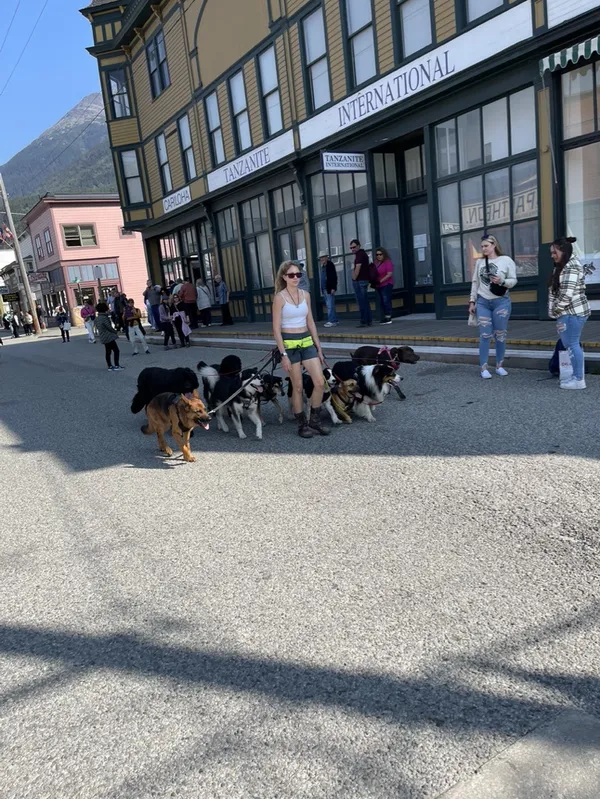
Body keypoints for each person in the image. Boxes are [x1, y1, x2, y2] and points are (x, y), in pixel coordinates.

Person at [272, 260, 330, 438]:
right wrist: (283, 355)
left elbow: (310, 321)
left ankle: (314, 419)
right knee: (297, 387)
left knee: (320, 382)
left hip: (306, 340)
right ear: (284, 277)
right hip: (289, 344)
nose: (295, 278)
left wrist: (318, 348)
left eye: (298, 274)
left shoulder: (306, 295)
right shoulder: (279, 298)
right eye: (291, 275)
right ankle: (302, 424)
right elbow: (276, 329)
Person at [468, 234, 517, 379]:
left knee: (500, 334)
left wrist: (501, 281)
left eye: (486, 246)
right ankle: (484, 368)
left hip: (501, 301)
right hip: (483, 301)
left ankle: (499, 365)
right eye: (482, 246)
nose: (483, 249)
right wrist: (472, 301)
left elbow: (514, 280)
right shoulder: (479, 262)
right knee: (484, 335)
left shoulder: (506, 260)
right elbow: (475, 282)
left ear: (494, 245)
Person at [548, 236, 590, 390]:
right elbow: (554, 290)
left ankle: (579, 380)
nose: (552, 255)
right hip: (568, 312)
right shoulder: (562, 266)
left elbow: (567, 294)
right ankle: (576, 376)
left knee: (572, 344)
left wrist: (556, 310)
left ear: (564, 251)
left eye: (554, 252)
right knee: (569, 344)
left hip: (573, 312)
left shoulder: (571, 268)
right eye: (551, 252)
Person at [95, 301, 124, 371]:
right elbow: (109, 327)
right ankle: (117, 365)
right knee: (116, 350)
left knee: (108, 351)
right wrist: (115, 332)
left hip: (103, 336)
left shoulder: (97, 318)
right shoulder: (104, 318)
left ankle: (110, 366)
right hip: (108, 336)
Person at [350, 238, 372, 327]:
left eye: (354, 247)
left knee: (361, 301)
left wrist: (354, 278)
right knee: (365, 301)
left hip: (360, 281)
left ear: (359, 246)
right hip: (363, 280)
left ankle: (364, 320)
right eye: (351, 248)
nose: (352, 249)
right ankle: (368, 319)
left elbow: (358, 268)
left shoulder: (359, 255)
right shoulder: (363, 254)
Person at [374, 247, 394, 325]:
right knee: (382, 301)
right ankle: (385, 317)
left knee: (386, 300)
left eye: (380, 254)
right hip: (379, 285)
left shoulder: (387, 262)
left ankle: (388, 317)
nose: (379, 256)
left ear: (383, 254)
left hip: (386, 284)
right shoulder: (376, 263)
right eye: (377, 254)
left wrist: (380, 281)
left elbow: (389, 274)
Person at [320, 254, 338, 327]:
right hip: (325, 288)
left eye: (323, 257)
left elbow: (334, 277)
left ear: (326, 257)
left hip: (329, 288)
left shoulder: (330, 265)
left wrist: (333, 287)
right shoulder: (323, 266)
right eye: (321, 258)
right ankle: (335, 320)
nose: (322, 259)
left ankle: (331, 321)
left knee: (330, 305)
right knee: (330, 305)